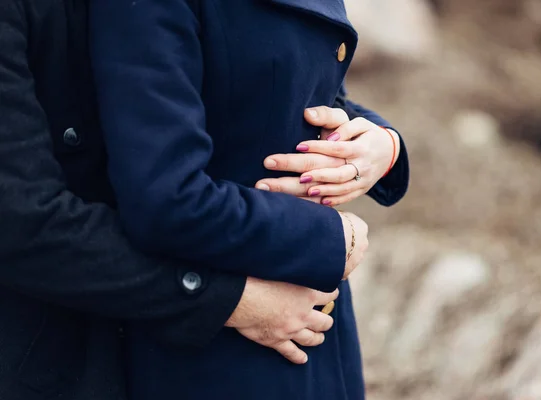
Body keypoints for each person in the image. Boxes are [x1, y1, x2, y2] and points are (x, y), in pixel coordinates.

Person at [0, 1, 372, 399]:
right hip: (62, 342)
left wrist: (376, 142)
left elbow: (272, 78)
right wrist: (229, 297)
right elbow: (23, 222)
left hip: (277, 299)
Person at [90, 0, 409, 399]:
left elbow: (301, 87)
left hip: (312, 310)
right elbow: (167, 198)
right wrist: (325, 239)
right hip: (216, 337)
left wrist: (380, 143)